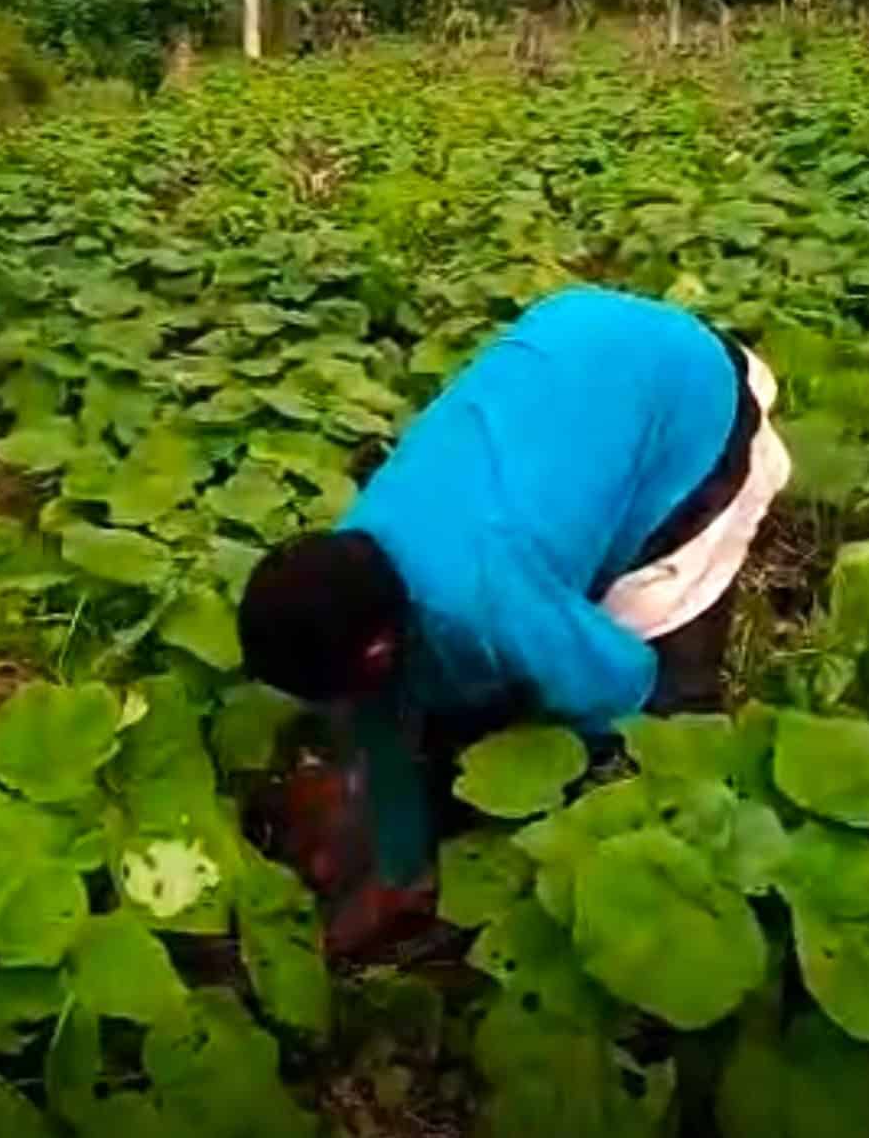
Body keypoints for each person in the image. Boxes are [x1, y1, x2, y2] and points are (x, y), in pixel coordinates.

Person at [239, 288, 791, 939]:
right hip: (580, 344)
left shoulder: (481, 600)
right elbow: (377, 715)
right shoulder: (357, 552)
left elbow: (620, 681)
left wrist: (578, 770)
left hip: (692, 405)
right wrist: (400, 863)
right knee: (499, 675)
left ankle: (709, 866)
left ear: (379, 651)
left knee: (663, 707)